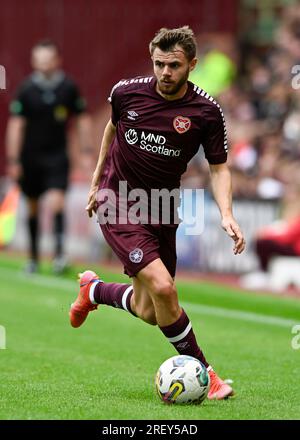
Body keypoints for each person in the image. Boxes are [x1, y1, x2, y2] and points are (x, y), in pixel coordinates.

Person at [69, 26, 245, 400]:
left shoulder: (206, 112)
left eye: (174, 65)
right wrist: (95, 181)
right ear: (152, 58)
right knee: (165, 288)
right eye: (159, 64)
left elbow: (219, 166)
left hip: (163, 209)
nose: (165, 72)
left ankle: (94, 289)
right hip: (117, 202)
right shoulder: (125, 93)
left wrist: (226, 213)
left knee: (151, 310)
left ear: (192, 65)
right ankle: (209, 376)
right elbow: (111, 131)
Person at [6, 40, 93, 274]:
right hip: (30, 158)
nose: (44, 64)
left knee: (56, 203)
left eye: (48, 59)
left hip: (57, 156)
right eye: (39, 60)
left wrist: (86, 152)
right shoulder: (26, 90)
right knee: (33, 207)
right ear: (34, 62)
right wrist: (14, 159)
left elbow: (82, 119)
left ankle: (59, 255)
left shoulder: (68, 88)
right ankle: (33, 258)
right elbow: (16, 125)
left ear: (57, 60)